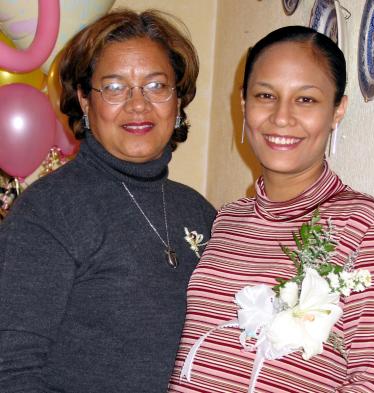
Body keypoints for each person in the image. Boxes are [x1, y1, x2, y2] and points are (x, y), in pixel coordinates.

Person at [169, 26, 374, 392]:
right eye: (265, 95)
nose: (281, 117)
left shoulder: (367, 227)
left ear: (337, 109)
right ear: (244, 103)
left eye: (306, 100)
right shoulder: (228, 219)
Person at [0, 9, 216, 393]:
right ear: (85, 100)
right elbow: (12, 370)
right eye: (115, 87)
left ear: (177, 100)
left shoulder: (199, 212)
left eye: (156, 86)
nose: (138, 105)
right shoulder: (48, 211)